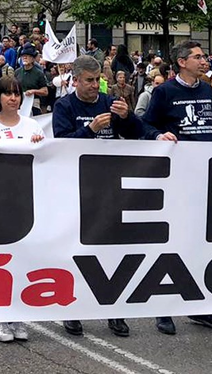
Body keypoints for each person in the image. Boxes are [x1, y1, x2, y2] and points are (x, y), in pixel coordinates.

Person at [142, 40, 212, 335]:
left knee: (203, 243)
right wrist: (159, 136)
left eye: (203, 56)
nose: (204, 61)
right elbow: (146, 126)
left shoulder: (208, 90)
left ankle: (201, 308)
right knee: (174, 244)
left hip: (205, 176)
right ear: (182, 62)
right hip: (177, 178)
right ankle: (164, 307)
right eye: (197, 57)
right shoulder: (164, 92)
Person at [51, 55, 139, 337]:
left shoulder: (106, 102)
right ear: (75, 80)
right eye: (88, 80)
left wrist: (126, 117)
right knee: (78, 252)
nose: (95, 85)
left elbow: (135, 133)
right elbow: (61, 144)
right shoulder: (64, 106)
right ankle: (73, 309)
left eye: (98, 79)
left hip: (110, 185)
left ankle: (113, 310)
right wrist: (90, 130)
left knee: (111, 251)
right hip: (78, 187)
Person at [0, 76, 44, 343]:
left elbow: (46, 159)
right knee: (0, 262)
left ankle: (17, 316)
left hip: (26, 201)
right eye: (7, 94)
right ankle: (0, 317)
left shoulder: (33, 125)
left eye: (16, 93)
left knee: (23, 260)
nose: (13, 98)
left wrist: (40, 144)